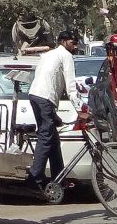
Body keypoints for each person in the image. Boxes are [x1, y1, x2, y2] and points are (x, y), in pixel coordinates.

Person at [25, 30, 80, 190]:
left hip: (35, 95)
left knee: (53, 139)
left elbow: (46, 78)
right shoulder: (66, 56)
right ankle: (34, 177)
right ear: (63, 41)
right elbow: (71, 86)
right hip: (44, 98)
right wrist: (80, 110)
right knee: (46, 135)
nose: (75, 47)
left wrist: (53, 114)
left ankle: (59, 178)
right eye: (73, 43)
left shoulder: (49, 55)